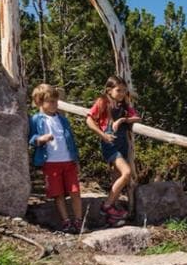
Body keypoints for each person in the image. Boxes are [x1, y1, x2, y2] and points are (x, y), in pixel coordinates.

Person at [86, 75, 141, 226]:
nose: (122, 93)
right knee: (127, 172)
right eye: (119, 90)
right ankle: (107, 205)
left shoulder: (123, 105)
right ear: (109, 90)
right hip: (110, 143)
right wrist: (103, 135)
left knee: (116, 177)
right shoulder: (102, 102)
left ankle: (112, 216)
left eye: (124, 90)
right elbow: (89, 119)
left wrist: (122, 120)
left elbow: (137, 117)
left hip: (122, 143)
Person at [29, 84, 84, 234]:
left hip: (68, 161)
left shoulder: (62, 119)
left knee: (75, 191)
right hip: (51, 162)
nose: (55, 104)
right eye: (51, 101)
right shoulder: (36, 119)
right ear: (40, 102)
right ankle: (66, 221)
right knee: (58, 193)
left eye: (56, 101)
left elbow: (70, 139)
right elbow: (31, 138)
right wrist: (41, 139)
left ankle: (79, 221)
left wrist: (76, 160)